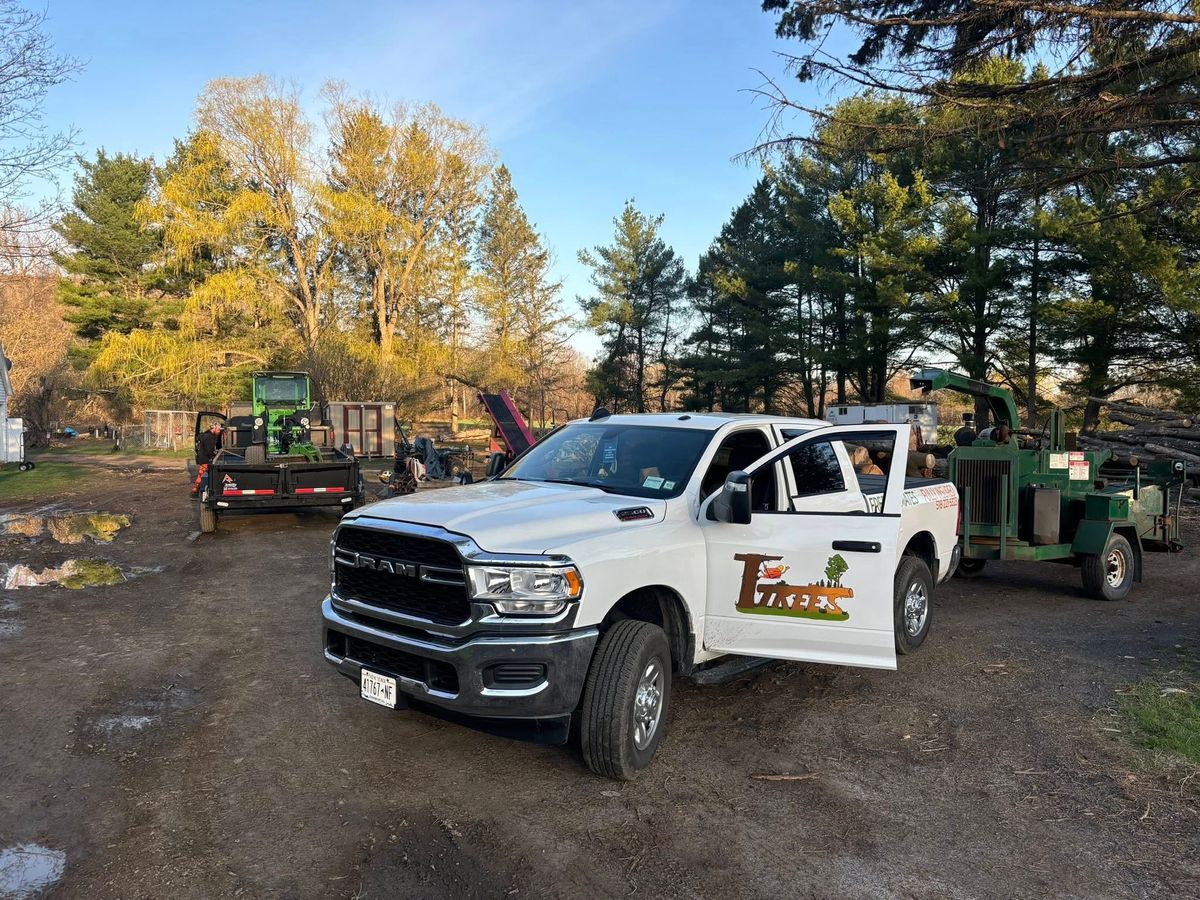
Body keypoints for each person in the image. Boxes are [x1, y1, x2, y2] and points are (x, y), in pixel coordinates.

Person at [191, 422, 224, 498]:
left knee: (201, 474)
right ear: (214, 428)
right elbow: (209, 450)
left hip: (203, 458)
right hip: (205, 459)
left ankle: (195, 490)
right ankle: (197, 491)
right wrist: (214, 456)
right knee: (206, 475)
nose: (219, 432)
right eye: (219, 430)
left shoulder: (208, 435)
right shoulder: (209, 437)